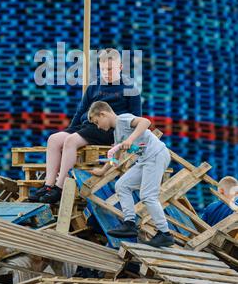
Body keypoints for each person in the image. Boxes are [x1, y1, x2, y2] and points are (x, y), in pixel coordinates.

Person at [31, 48, 141, 204]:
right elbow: (81, 111)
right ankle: (48, 185)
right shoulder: (94, 86)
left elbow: (136, 117)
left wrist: (126, 140)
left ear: (121, 67)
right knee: (54, 139)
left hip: (108, 129)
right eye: (103, 69)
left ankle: (59, 187)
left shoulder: (130, 88)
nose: (106, 72)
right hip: (88, 126)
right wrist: (70, 130)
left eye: (110, 69)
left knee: (71, 142)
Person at [88, 100, 174, 248]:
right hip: (145, 160)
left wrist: (130, 139)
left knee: (148, 195)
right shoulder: (117, 133)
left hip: (156, 155)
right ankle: (129, 224)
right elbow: (116, 157)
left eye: (97, 122)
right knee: (122, 185)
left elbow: (145, 122)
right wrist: (102, 171)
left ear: (103, 114)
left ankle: (165, 233)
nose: (98, 126)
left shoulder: (123, 119)